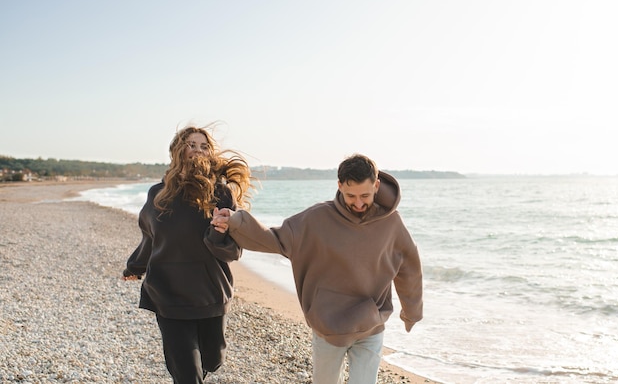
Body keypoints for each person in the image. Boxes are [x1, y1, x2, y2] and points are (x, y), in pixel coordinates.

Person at [208, 153, 423, 384]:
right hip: (329, 326)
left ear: (377, 185)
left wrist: (412, 313)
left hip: (371, 325)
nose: (358, 203)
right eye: (351, 195)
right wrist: (236, 220)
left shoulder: (392, 223)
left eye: (365, 195)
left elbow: (409, 268)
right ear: (339, 186)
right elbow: (273, 239)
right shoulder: (316, 219)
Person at [122, 125, 253, 384]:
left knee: (213, 361)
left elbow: (232, 251)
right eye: (191, 144)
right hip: (167, 293)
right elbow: (150, 237)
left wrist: (218, 231)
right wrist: (135, 267)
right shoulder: (157, 194)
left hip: (210, 292)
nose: (198, 150)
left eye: (204, 146)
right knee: (186, 374)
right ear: (177, 150)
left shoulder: (221, 193)